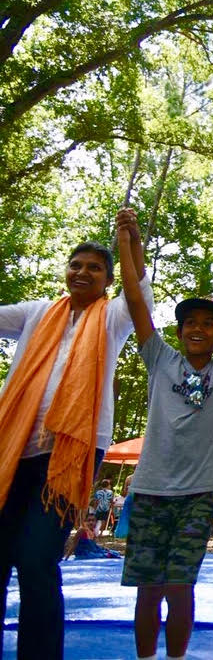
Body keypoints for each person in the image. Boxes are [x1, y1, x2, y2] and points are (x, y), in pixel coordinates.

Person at [0, 208, 150, 659]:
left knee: (36, 558)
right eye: (76, 265)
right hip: (12, 450)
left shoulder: (113, 318)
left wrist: (129, 242)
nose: (83, 272)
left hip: (71, 452)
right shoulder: (38, 313)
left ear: (107, 279)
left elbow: (138, 288)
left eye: (94, 268)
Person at [117, 219, 213, 660]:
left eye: (208, 324)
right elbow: (137, 301)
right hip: (149, 492)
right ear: (178, 333)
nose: (197, 328)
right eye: (189, 323)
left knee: (180, 587)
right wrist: (128, 243)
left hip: (198, 495)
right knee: (148, 590)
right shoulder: (159, 359)